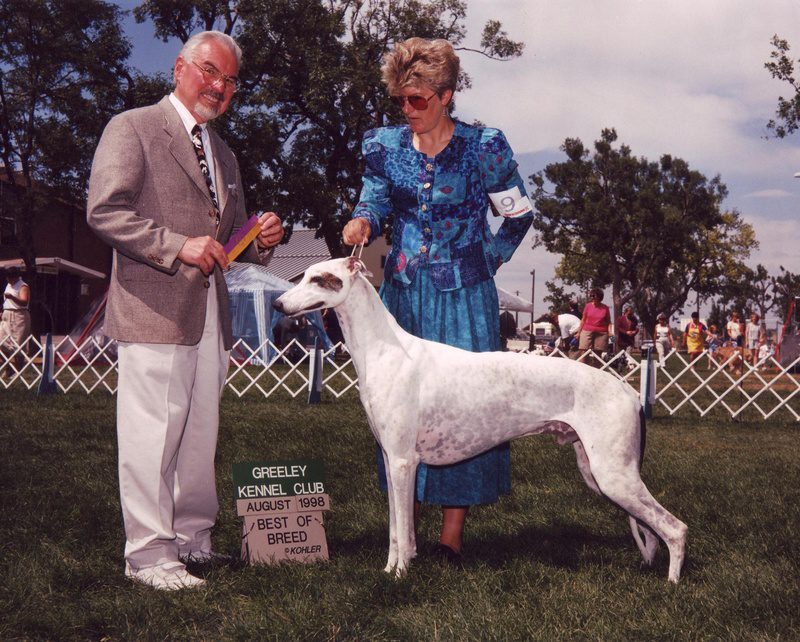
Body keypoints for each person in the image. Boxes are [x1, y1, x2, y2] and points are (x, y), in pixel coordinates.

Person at [87, 31, 285, 590]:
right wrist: (178, 246)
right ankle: (149, 555)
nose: (218, 87)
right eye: (209, 72)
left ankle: (193, 540)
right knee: (153, 434)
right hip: (154, 308)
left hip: (210, 317)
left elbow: (233, 237)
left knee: (199, 434)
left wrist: (263, 236)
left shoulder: (224, 152)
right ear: (179, 69)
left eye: (229, 81)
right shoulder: (133, 128)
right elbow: (105, 211)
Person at [342, 37, 532, 563]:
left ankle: (451, 540)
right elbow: (374, 199)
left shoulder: (484, 146)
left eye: (418, 100)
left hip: (463, 299)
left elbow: (518, 215)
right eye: (400, 100)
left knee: (466, 412)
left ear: (446, 95)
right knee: (401, 417)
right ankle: (407, 536)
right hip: (401, 296)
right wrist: (363, 219)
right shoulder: (384, 146)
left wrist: (486, 261)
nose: (407, 110)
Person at [1, 266, 31, 377]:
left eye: (9, 277)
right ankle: (8, 368)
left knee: (18, 346)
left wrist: (12, 297)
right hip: (7, 314)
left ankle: (18, 371)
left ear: (15, 277)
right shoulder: (9, 285)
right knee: (3, 343)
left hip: (19, 316)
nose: (7, 280)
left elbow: (24, 302)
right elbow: (6, 300)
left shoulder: (23, 286)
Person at [576, 288, 611, 367]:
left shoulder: (605, 308)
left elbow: (609, 322)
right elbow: (583, 320)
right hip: (587, 330)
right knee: (583, 351)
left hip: (601, 332)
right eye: (590, 296)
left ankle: (596, 372)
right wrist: (579, 332)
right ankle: (582, 370)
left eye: (593, 295)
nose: (591, 297)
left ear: (599, 297)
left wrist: (610, 332)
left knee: (598, 354)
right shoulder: (588, 306)